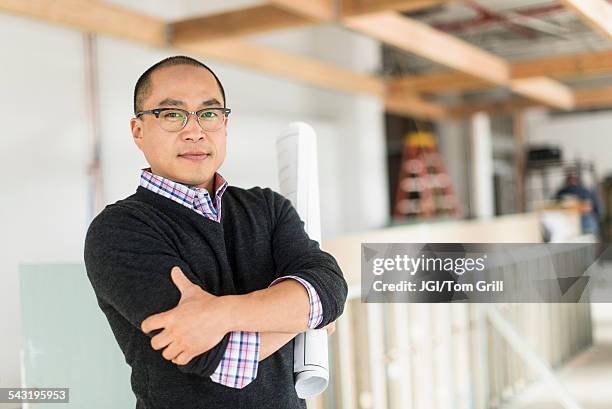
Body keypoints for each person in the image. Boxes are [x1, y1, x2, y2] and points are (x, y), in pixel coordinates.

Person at [83, 55, 348, 409]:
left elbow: (330, 287)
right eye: (172, 114)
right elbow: (221, 358)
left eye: (209, 114)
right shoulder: (118, 231)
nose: (195, 130)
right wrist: (302, 316)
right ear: (138, 131)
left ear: (224, 124)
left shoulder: (267, 207)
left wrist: (219, 314)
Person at [555, 166, 601, 235]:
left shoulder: (561, 193)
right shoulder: (586, 191)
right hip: (587, 223)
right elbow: (597, 207)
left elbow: (555, 207)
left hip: (569, 225)